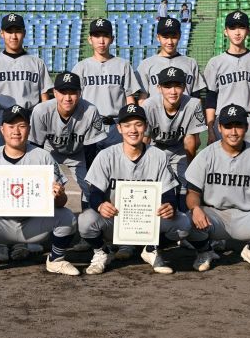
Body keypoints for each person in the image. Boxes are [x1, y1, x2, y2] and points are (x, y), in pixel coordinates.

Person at [0, 105, 80, 276]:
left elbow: (61, 203)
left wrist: (59, 195)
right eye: (11, 126)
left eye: (21, 126)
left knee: (68, 218)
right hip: (0, 225)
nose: (16, 131)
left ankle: (56, 260)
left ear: (28, 129)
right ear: (1, 129)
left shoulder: (42, 156)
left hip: (33, 225)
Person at [78, 104, 191, 275]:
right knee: (85, 221)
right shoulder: (106, 155)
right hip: (114, 219)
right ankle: (102, 252)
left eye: (138, 124)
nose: (133, 130)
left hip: (147, 221)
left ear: (145, 127)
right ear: (119, 128)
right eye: (127, 125)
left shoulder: (158, 156)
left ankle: (151, 248)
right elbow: (95, 193)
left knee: (183, 223)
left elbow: (168, 193)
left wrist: (169, 205)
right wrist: (100, 205)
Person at [184, 104, 250, 272]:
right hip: (215, 217)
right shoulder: (206, 155)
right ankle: (205, 251)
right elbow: (193, 193)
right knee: (185, 222)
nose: (233, 132)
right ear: (219, 128)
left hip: (247, 217)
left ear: (246, 127)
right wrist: (196, 208)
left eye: (238, 126)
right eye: (228, 126)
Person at [72, 17, 142, 260]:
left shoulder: (123, 65)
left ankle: (125, 239)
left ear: (111, 39)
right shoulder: (81, 67)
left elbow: (131, 99)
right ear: (90, 39)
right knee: (90, 181)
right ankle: (87, 236)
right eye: (97, 35)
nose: (101, 40)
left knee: (121, 181)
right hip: (90, 127)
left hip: (115, 127)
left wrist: (132, 126)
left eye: (105, 35)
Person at [29, 71, 106, 250]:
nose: (68, 97)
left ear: (80, 93)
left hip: (79, 153)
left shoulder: (90, 110)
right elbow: (35, 148)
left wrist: (90, 179)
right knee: (40, 185)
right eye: (63, 92)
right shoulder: (42, 110)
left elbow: (91, 151)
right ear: (54, 93)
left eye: (72, 92)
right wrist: (40, 176)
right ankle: (35, 235)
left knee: (90, 186)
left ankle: (88, 235)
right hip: (50, 152)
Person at [0, 13, 53, 149]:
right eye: (9, 31)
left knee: (30, 164)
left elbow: (45, 99)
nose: (13, 36)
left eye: (17, 31)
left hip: (29, 119)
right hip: (0, 119)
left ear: (24, 33)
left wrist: (46, 125)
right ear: (2, 33)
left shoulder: (37, 63)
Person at [141, 67, 207, 211]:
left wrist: (190, 172)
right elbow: (144, 139)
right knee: (153, 184)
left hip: (179, 148)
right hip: (155, 148)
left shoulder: (193, 104)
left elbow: (191, 141)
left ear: (184, 87)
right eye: (167, 86)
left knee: (186, 184)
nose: (173, 91)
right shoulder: (149, 105)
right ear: (159, 88)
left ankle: (185, 218)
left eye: (177, 85)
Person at [204, 10, 250, 148]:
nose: (237, 32)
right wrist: (210, 129)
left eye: (241, 27)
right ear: (225, 31)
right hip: (225, 121)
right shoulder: (215, 62)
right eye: (232, 28)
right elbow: (210, 99)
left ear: (248, 30)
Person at [136, 17, 205, 103]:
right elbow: (143, 97)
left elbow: (196, 96)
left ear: (179, 36)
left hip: (185, 113)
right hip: (155, 114)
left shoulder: (191, 63)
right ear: (158, 37)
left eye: (174, 37)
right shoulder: (146, 64)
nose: (170, 42)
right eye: (165, 37)